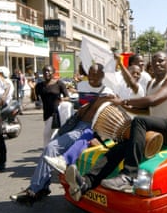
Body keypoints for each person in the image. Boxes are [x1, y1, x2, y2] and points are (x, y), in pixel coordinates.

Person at [65, 51, 167, 199]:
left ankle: (129, 175)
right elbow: (146, 110)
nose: (157, 64)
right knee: (121, 146)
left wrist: (123, 102)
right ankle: (85, 183)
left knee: (138, 122)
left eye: (161, 61)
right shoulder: (151, 83)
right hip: (155, 130)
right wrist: (121, 106)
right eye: (154, 62)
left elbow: (153, 100)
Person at [10, 63, 115, 205]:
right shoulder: (85, 87)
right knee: (49, 149)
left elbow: (97, 110)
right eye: (90, 73)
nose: (92, 76)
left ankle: (35, 190)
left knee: (51, 148)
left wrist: (88, 105)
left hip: (88, 128)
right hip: (75, 123)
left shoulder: (107, 91)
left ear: (102, 75)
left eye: (96, 74)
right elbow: (82, 107)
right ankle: (41, 187)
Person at [34, 65, 70, 146]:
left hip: (56, 113)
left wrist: (62, 100)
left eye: (49, 71)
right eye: (44, 71)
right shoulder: (39, 86)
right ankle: (52, 153)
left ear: (53, 73)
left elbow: (67, 97)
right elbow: (36, 99)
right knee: (51, 136)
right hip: (46, 114)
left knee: (46, 135)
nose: (46, 73)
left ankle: (46, 154)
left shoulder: (59, 84)